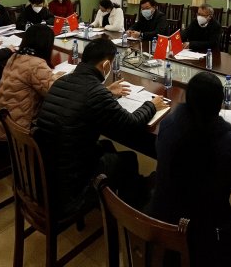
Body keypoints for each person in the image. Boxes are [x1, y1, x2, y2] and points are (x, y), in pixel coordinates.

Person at [149, 72, 231, 267]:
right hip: (203, 238)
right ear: (219, 105)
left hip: (162, 220)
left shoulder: (168, 124)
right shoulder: (225, 142)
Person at [33, 38, 168, 217]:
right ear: (105, 65)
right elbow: (131, 124)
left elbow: (82, 100)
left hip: (49, 170)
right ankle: (132, 214)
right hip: (71, 186)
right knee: (129, 159)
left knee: (107, 146)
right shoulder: (95, 93)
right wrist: (151, 105)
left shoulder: (62, 81)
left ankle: (120, 198)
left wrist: (107, 92)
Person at [0, 24, 62, 141]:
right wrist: (63, 77)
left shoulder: (15, 57)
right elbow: (54, 93)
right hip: (17, 135)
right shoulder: (36, 64)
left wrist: (56, 76)